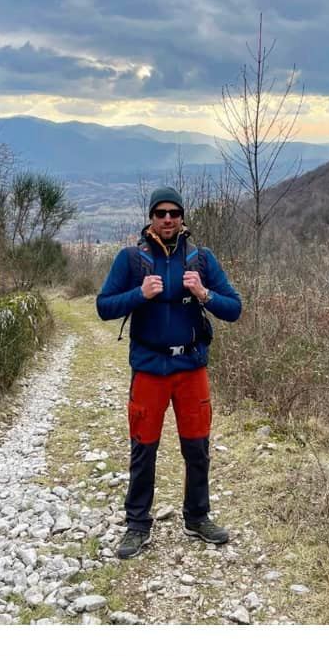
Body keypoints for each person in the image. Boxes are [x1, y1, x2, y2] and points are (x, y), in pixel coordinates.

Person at [96, 185, 242, 560]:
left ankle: (197, 517)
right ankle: (137, 525)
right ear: (151, 217)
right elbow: (103, 307)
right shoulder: (131, 259)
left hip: (191, 367)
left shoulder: (201, 259)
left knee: (197, 449)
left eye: (173, 213)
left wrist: (205, 294)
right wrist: (138, 295)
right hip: (148, 367)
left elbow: (235, 308)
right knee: (143, 449)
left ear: (182, 218)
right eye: (160, 213)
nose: (167, 219)